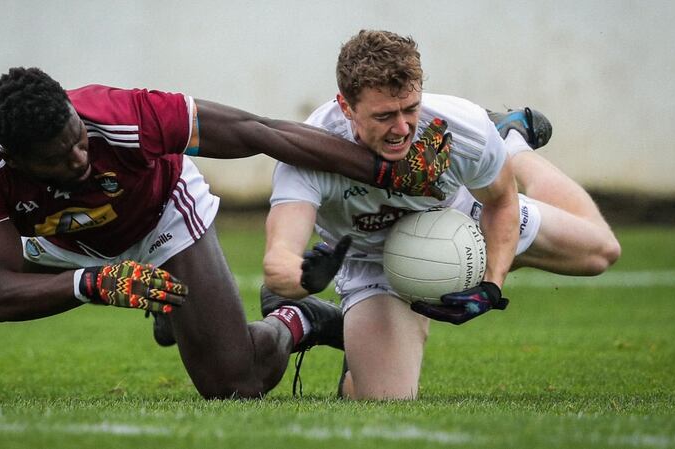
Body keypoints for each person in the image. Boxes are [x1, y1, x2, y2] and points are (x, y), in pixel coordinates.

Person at [0, 67, 451, 399]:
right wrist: (93, 283)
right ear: (14, 159)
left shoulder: (124, 114)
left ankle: (296, 320)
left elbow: (260, 131)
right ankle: (175, 314)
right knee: (56, 270)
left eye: (76, 140)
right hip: (65, 247)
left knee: (234, 386)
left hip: (160, 213)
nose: (78, 158)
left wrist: (382, 172)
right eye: (55, 159)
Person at [261, 30, 621, 400]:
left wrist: (491, 286)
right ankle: (343, 337)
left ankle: (513, 145)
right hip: (373, 261)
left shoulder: (461, 126)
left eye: (410, 109)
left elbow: (500, 205)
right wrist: (304, 278)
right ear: (346, 106)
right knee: (384, 399)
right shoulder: (309, 154)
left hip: (461, 220)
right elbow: (278, 261)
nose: (402, 128)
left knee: (600, 253)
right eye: (384, 115)